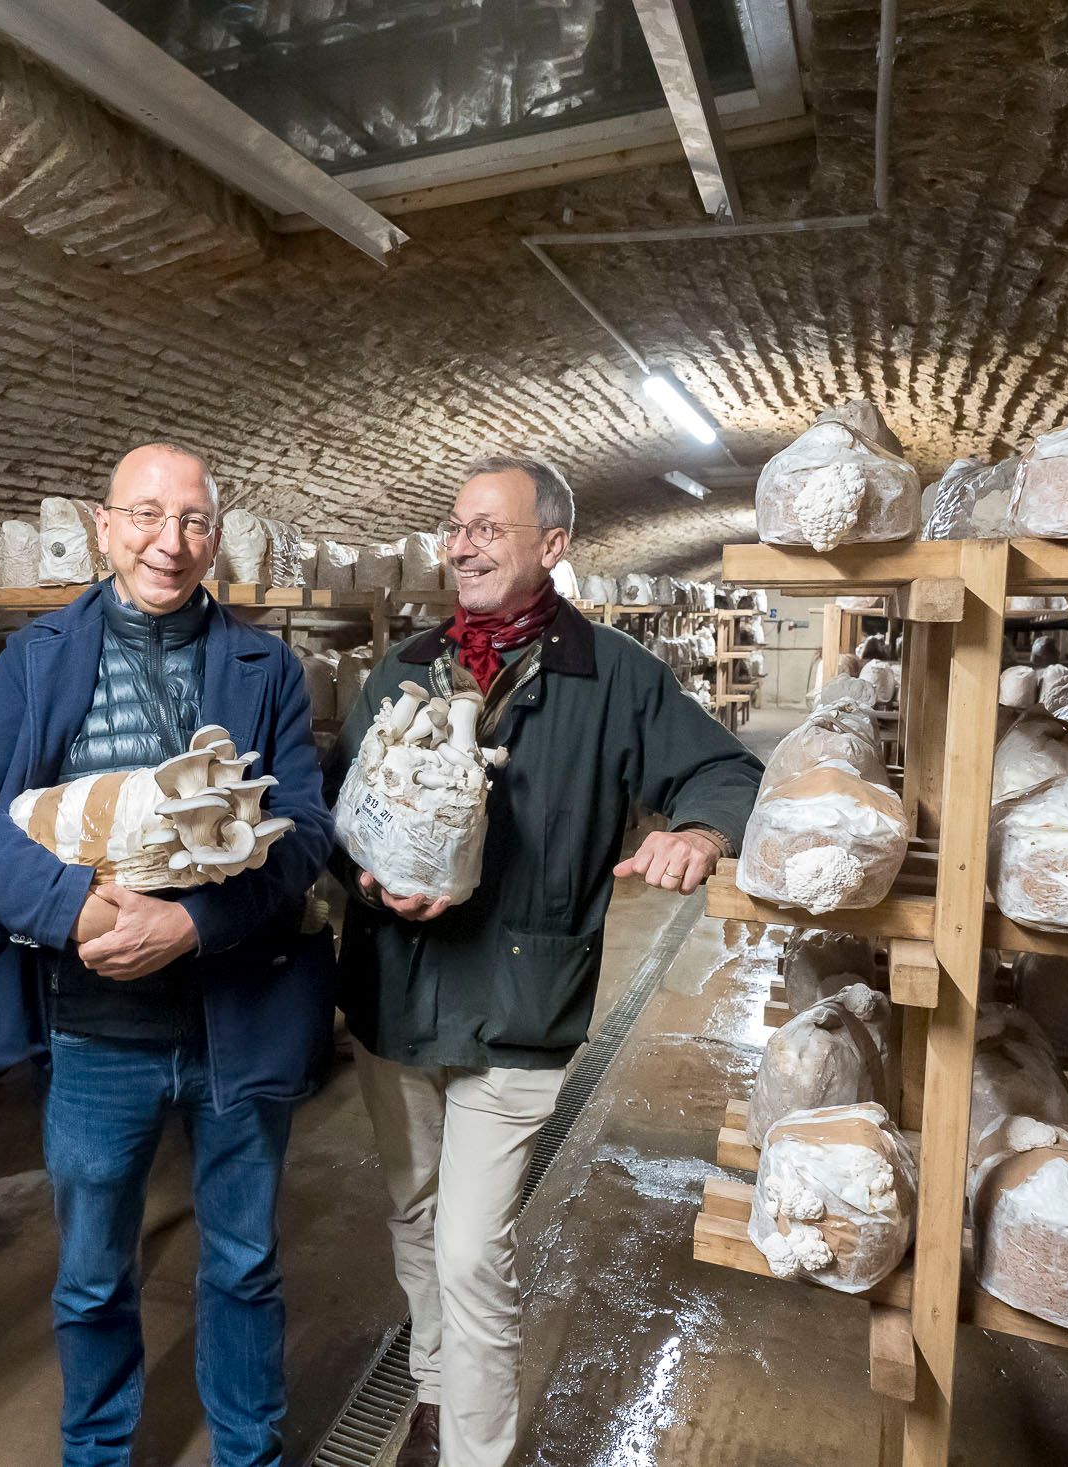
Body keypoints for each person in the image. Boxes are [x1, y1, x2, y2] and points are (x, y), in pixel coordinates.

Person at [325, 455, 763, 1467]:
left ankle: (471, 1449)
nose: (462, 545)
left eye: (487, 528)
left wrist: (697, 833)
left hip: (519, 1003)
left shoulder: (612, 677)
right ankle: (435, 1388)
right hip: (395, 993)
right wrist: (364, 880)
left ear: (552, 548)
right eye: (455, 526)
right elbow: (341, 811)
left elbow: (724, 769)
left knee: (474, 1250)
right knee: (416, 1211)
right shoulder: (406, 668)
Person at [0, 443, 335, 1467]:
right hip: (99, 1027)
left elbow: (308, 836)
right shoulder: (40, 659)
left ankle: (250, 1453)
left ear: (215, 536)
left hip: (237, 1018)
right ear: (104, 526)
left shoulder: (264, 666)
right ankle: (97, 1454)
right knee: (94, 1273)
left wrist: (192, 925)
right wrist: (71, 908)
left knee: (241, 1263)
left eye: (193, 520)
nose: (170, 541)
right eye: (145, 515)